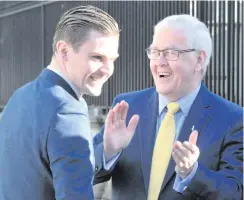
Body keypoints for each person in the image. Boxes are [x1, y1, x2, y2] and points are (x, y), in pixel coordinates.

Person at [93, 14, 243, 200]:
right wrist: (108, 152)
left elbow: (235, 192)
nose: (160, 62)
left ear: (199, 60)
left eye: (171, 53)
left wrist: (192, 174)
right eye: (155, 52)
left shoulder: (233, 119)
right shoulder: (127, 106)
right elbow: (82, 171)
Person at [0, 5, 120, 200]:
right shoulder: (68, 110)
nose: (108, 70)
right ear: (63, 51)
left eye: (112, 59)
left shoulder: (19, 97)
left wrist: (108, 149)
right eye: (97, 57)